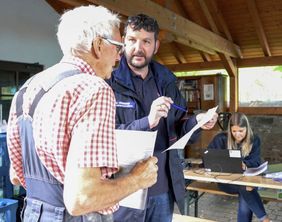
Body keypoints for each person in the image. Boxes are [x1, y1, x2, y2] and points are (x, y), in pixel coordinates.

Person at [7, 6, 158, 222]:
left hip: (33, 213)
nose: (119, 56)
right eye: (117, 46)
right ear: (98, 45)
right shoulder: (93, 88)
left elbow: (15, 176)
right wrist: (137, 179)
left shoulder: (27, 89)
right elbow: (82, 200)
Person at [107, 14, 218, 222]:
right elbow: (105, 137)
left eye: (146, 41)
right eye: (132, 40)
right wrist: (147, 121)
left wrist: (198, 122)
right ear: (123, 41)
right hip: (124, 190)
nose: (138, 48)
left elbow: (181, 124)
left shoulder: (166, 81)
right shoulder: (108, 82)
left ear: (156, 46)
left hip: (163, 190)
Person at [207, 112, 270, 222]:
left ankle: (264, 219)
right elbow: (208, 157)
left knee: (245, 188)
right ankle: (265, 219)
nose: (237, 134)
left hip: (247, 180)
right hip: (226, 182)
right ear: (230, 129)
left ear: (247, 128)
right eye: (234, 131)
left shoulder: (254, 140)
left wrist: (245, 164)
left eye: (241, 131)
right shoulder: (220, 139)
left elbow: (256, 161)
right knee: (247, 188)